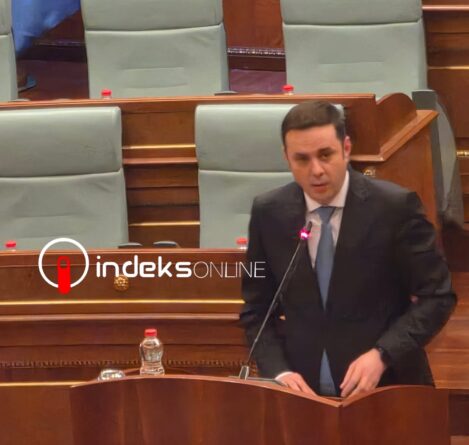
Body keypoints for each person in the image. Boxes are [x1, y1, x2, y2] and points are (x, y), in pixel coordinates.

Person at [240, 100, 457, 398]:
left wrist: (383, 353)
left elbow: (438, 297)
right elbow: (256, 309)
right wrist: (279, 371)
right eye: (302, 159)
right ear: (286, 158)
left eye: (325, 155)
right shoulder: (268, 213)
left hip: (388, 389)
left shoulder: (395, 208)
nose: (316, 170)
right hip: (303, 397)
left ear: (346, 148)